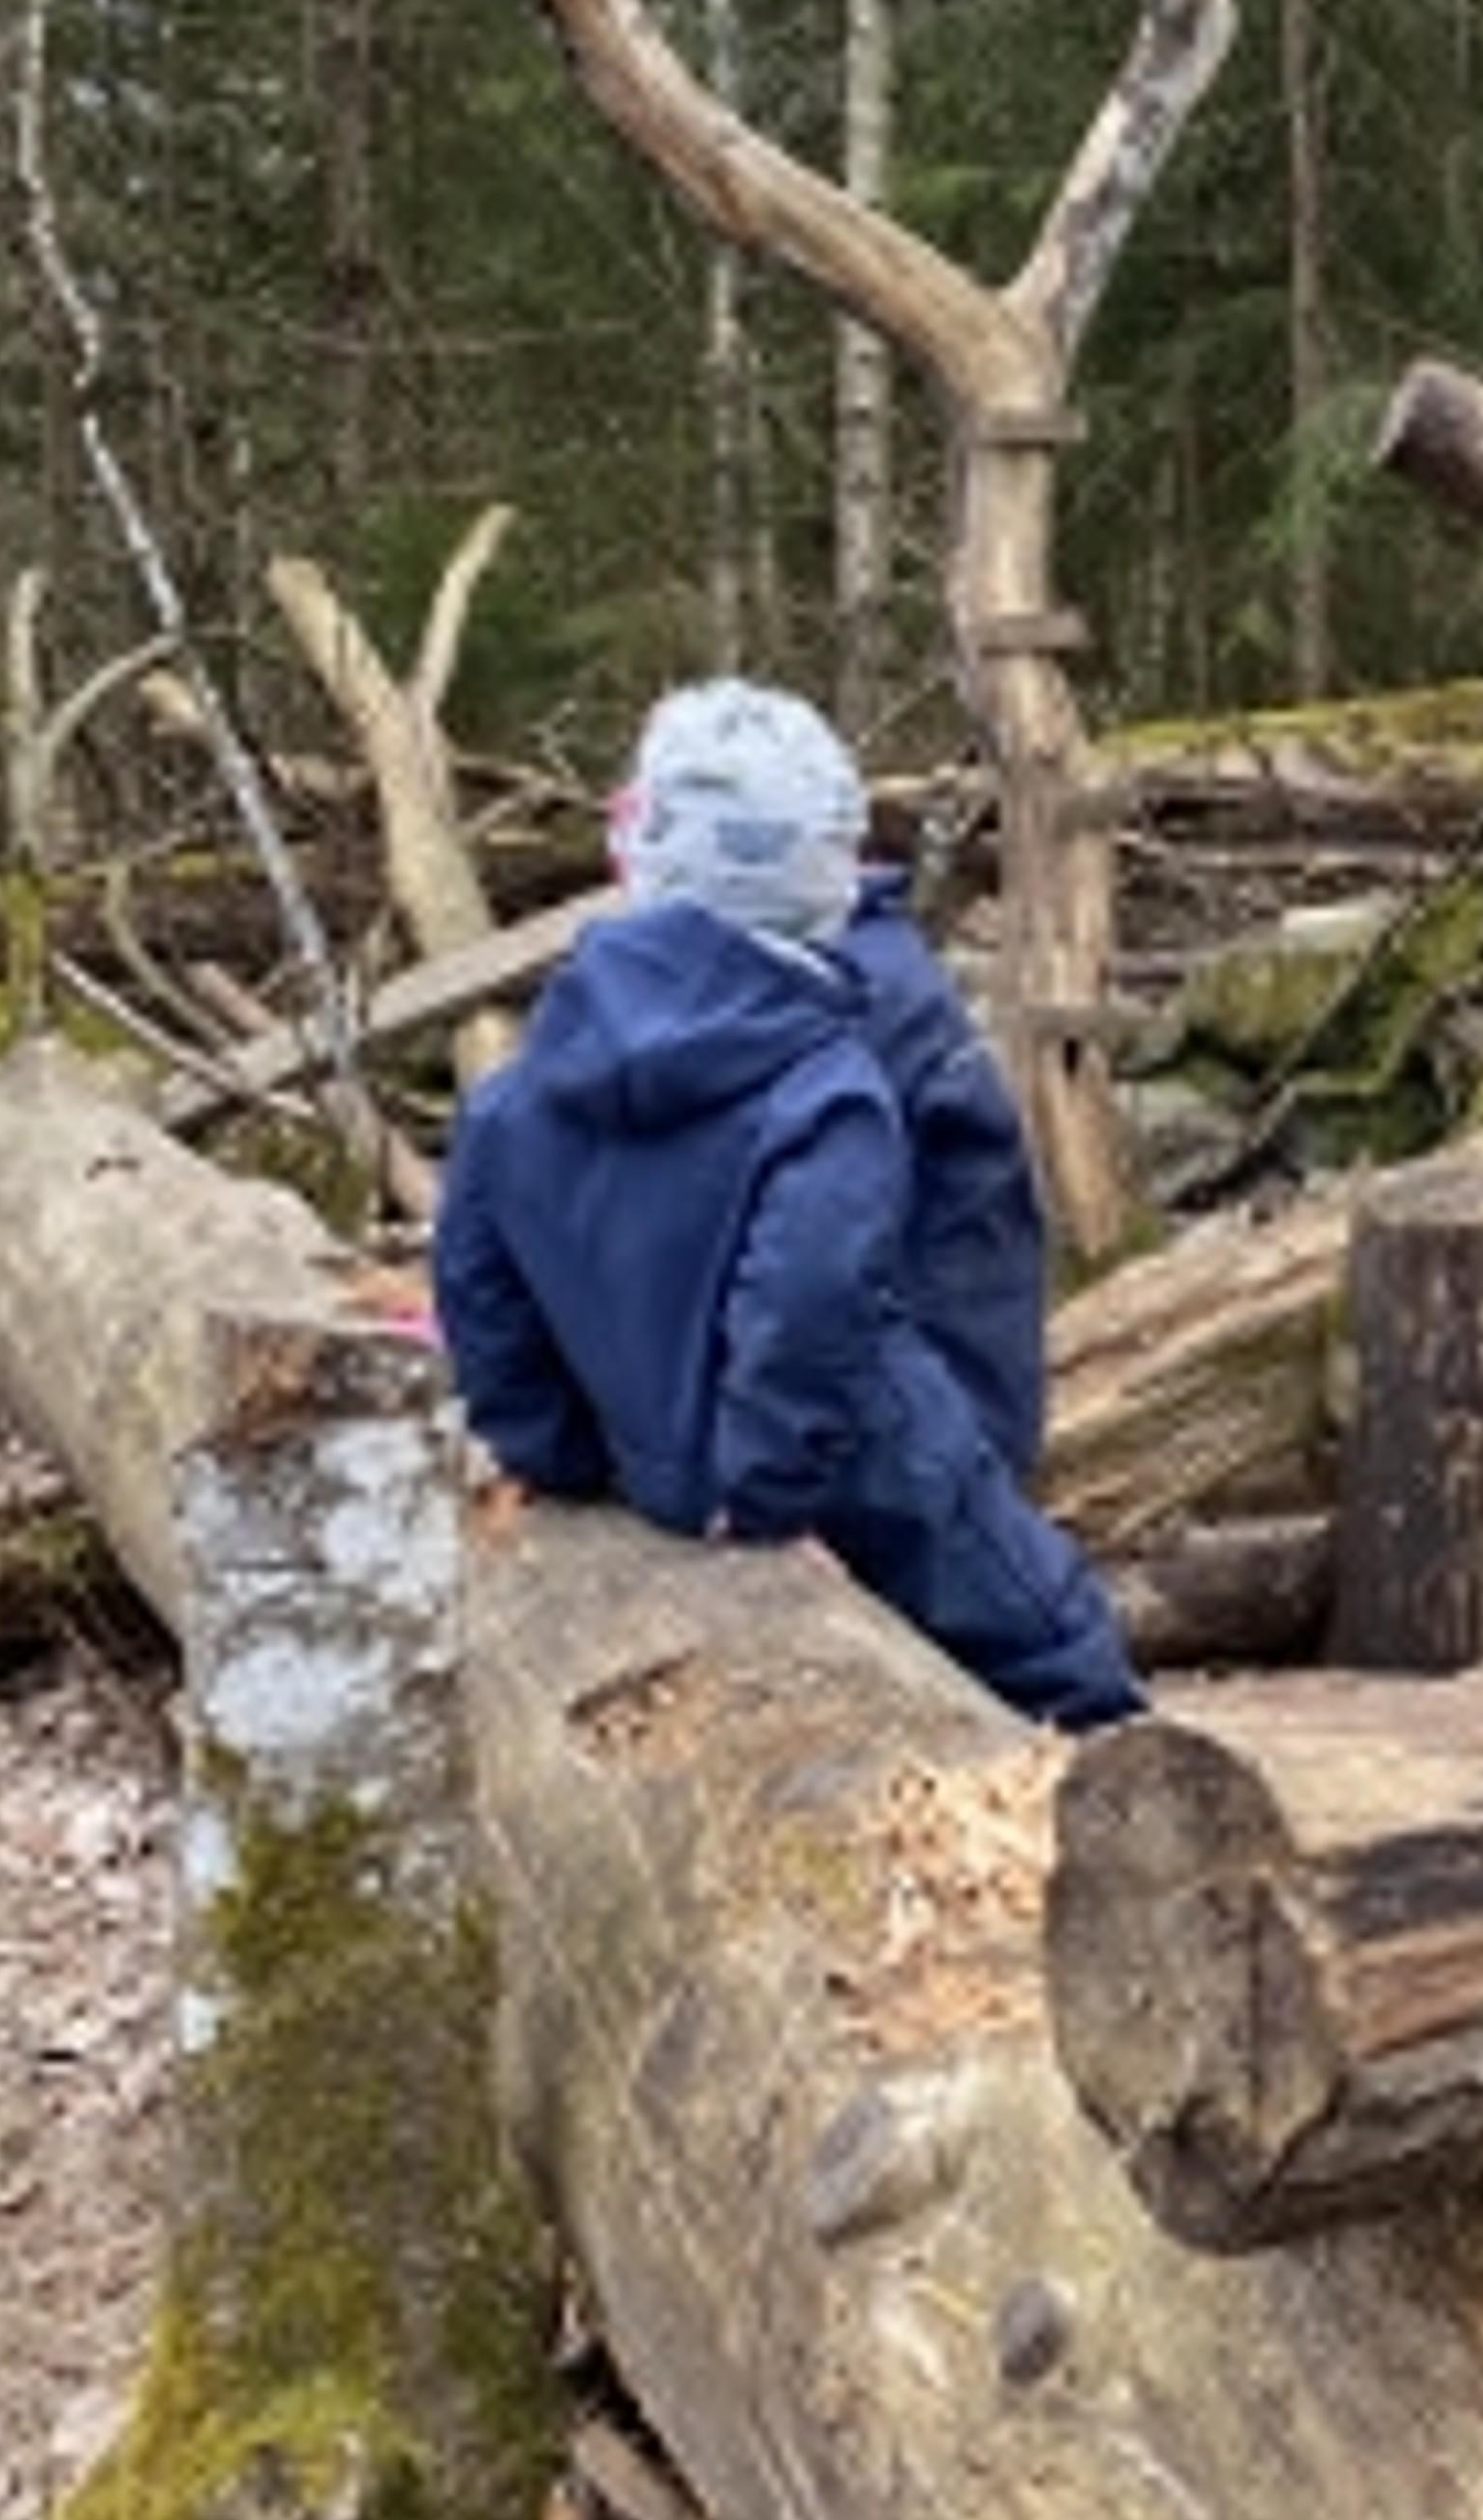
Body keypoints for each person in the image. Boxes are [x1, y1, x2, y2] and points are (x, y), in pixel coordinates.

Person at [433, 677, 1138, 1730]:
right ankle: (1125, 1808)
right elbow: (809, 1304)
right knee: (1051, 1640)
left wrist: (556, 1451)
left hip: (658, 1453)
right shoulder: (828, 1093)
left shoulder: (516, 1096)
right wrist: (758, 1500)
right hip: (850, 1455)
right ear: (832, 873)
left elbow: (481, 1291)